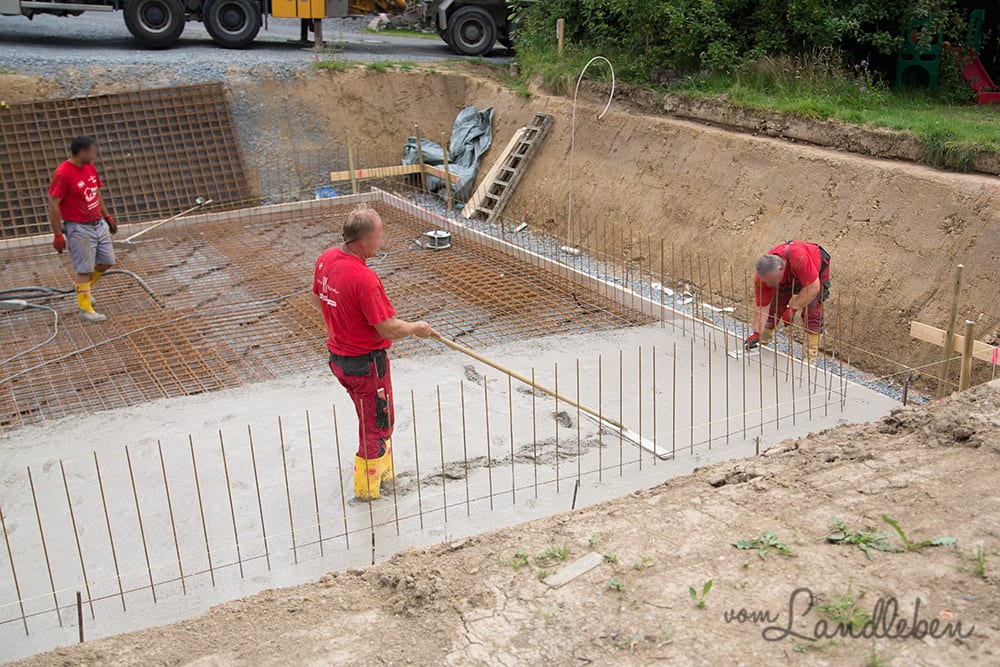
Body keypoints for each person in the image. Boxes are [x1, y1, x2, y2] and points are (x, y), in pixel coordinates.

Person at [311, 205, 437, 501]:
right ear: (363, 240)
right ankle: (367, 494)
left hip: (339, 360)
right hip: (366, 366)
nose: (381, 242)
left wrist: (341, 325)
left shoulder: (326, 258)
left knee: (375, 418)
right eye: (379, 236)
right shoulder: (363, 278)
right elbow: (387, 328)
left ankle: (386, 476)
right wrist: (416, 327)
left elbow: (317, 298)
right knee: (377, 427)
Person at [48, 136, 118, 323]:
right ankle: (85, 309)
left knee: (107, 261)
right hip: (79, 228)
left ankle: (82, 288)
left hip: (97, 224)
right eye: (92, 151)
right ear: (82, 152)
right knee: (84, 269)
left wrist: (107, 215)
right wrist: (57, 234)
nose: (95, 155)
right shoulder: (63, 173)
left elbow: (96, 191)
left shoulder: (89, 167)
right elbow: (54, 204)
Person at [745, 240, 831, 361]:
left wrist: (792, 308)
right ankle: (762, 342)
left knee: (812, 310)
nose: (768, 284)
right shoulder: (762, 277)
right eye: (766, 281)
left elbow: (813, 287)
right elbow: (762, 306)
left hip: (814, 271)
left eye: (770, 280)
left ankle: (809, 357)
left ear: (781, 269)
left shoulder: (798, 258)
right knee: (775, 306)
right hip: (788, 276)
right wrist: (757, 332)